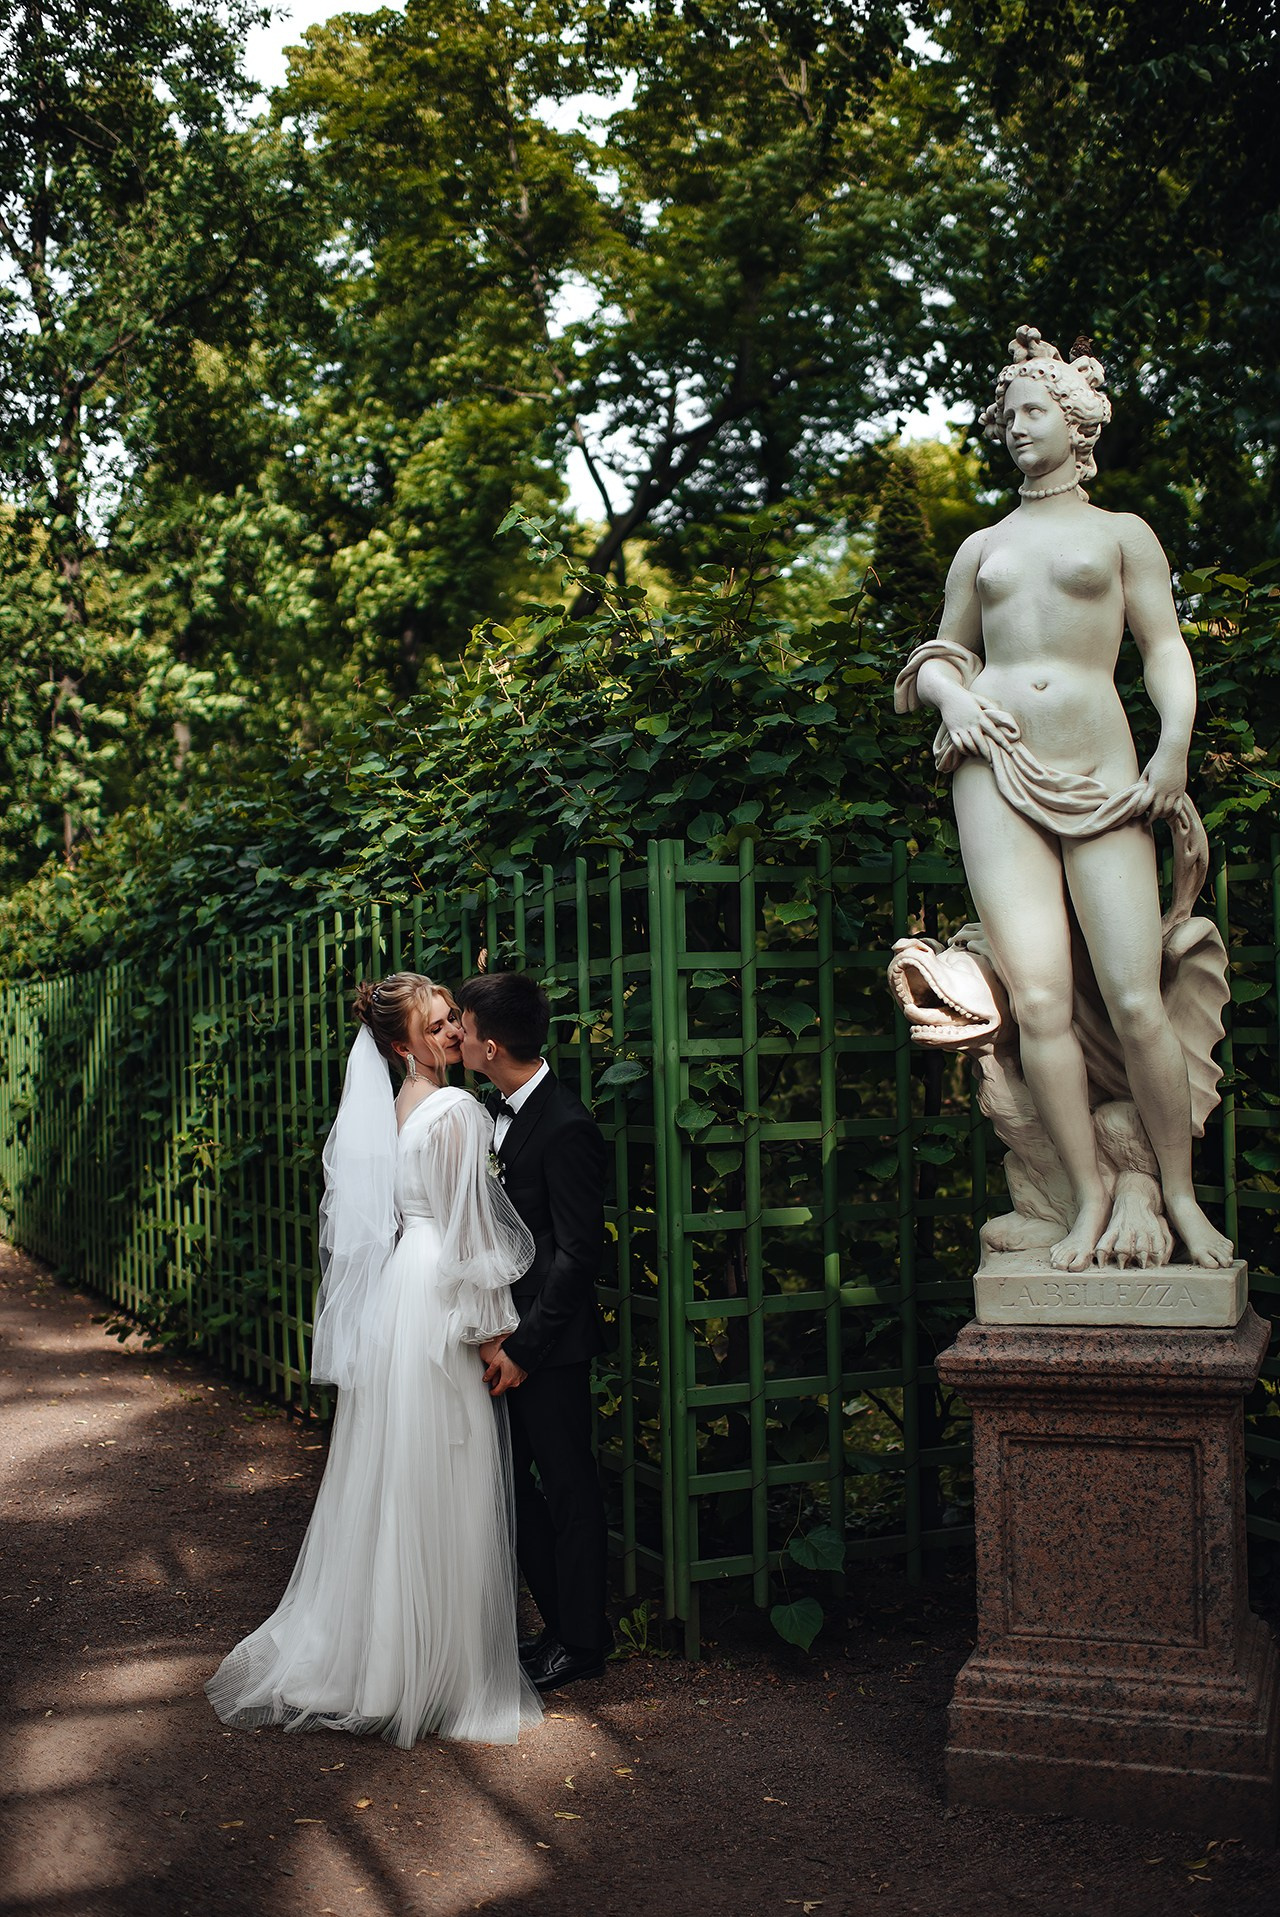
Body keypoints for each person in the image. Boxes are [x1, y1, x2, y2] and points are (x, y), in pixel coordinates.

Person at [895, 324, 1233, 1274]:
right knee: (1038, 1001)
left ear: (1076, 423)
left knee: (1133, 996)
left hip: (1100, 766)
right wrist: (954, 696)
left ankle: (1176, 1194)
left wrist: (1171, 751)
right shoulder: (982, 546)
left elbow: (1165, 649)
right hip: (993, 768)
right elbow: (936, 656)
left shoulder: (1122, 535)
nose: (1014, 427)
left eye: (1032, 411)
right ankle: (1084, 1201)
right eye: (1006, 415)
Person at [205, 974, 543, 1747]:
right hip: (436, 1299)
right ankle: (439, 1671)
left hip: (401, 1298)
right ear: (401, 1046)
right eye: (436, 1026)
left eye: (453, 1019)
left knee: (397, 1474)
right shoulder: (456, 1109)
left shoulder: (394, 1112)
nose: (455, 1033)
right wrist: (495, 1335)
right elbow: (471, 1237)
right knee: (439, 1473)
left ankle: (387, 1659)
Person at [455, 970, 611, 1691]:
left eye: (461, 1022)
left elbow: (580, 1254)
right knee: (514, 1492)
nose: (453, 1032)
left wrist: (523, 1346)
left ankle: (583, 1642)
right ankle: (557, 1625)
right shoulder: (492, 1110)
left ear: (491, 1044)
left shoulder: (568, 1123)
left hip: (549, 1346)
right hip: (505, 1339)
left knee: (570, 1491)